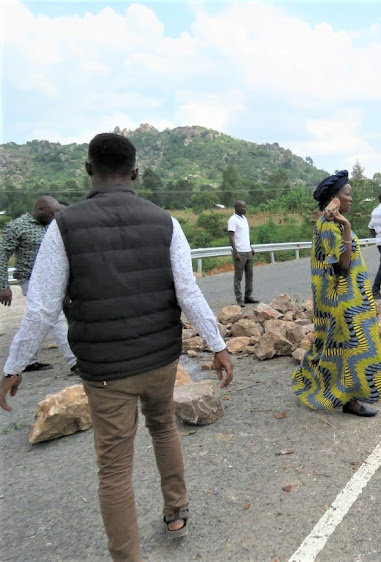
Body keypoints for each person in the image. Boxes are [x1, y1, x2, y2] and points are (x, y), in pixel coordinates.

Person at [0, 133, 234, 561]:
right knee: (163, 427)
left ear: (89, 170)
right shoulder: (166, 221)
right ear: (136, 173)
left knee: (113, 468)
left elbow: (42, 309)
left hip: (105, 371)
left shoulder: (65, 226)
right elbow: (188, 292)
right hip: (161, 359)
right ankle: (176, 509)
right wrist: (217, 345)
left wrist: (13, 367)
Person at [292, 170, 381, 417]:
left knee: (334, 347)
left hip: (351, 298)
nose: (351, 199)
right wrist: (347, 226)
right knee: (350, 348)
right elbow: (343, 265)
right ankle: (350, 400)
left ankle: (322, 384)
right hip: (341, 301)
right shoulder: (331, 226)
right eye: (347, 194)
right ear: (334, 198)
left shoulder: (329, 223)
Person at [0, 196, 77, 373]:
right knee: (54, 317)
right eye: (52, 213)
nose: (56, 216)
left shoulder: (54, 225)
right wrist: (3, 285)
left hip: (56, 278)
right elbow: (2, 255)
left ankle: (28, 360)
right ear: (40, 210)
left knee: (38, 317)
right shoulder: (17, 227)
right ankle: (75, 362)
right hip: (31, 279)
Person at [227, 199, 257, 306]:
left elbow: (245, 236)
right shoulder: (232, 220)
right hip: (239, 252)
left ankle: (248, 296)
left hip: (248, 251)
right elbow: (231, 237)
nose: (245, 209)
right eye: (243, 207)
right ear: (236, 208)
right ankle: (239, 299)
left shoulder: (244, 219)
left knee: (250, 275)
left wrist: (251, 247)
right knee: (238, 277)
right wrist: (235, 252)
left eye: (245, 207)